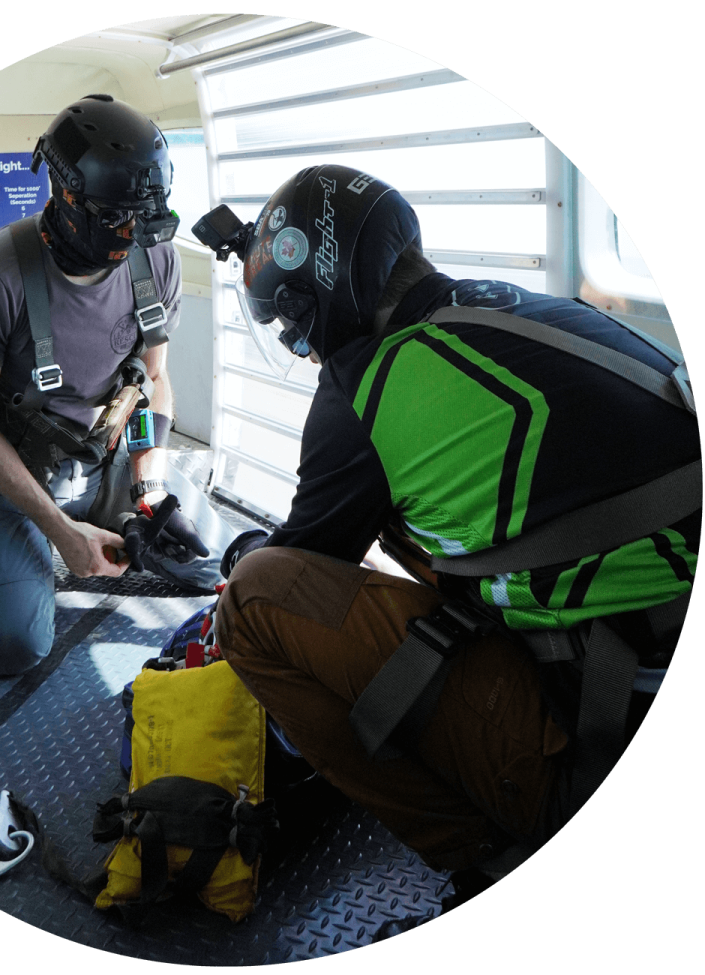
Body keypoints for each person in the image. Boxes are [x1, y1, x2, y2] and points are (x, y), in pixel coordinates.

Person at [203, 164, 700, 905]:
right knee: (414, 524)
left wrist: (247, 553)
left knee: (250, 605)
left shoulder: (359, 385)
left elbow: (301, 561)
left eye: (295, 320)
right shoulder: (511, 310)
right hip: (646, 633)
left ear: (327, 294)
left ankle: (486, 851)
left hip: (607, 723)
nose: (303, 347)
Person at [0, 94, 236, 677]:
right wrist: (58, 528)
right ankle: (8, 543)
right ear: (66, 194)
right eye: (117, 218)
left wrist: (148, 488)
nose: (136, 237)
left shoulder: (156, 259)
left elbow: (154, 379)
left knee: (215, 564)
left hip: (110, 465)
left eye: (146, 218)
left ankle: (116, 515)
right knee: (14, 651)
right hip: (16, 485)